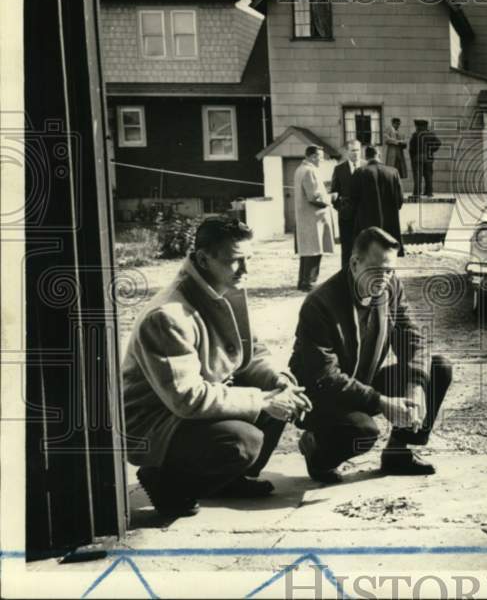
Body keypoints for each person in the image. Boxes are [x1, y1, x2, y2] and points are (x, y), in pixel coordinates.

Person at [121, 217, 312, 517]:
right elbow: (187, 399)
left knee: (279, 395)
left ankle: (227, 480)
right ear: (202, 259)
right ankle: (166, 484)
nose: (246, 270)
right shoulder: (168, 314)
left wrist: (278, 382)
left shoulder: (224, 287)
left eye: (249, 259)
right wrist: (263, 401)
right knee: (242, 442)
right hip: (154, 422)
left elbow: (250, 353)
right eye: (236, 261)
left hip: (192, 405)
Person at [289, 227, 453, 483]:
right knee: (363, 432)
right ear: (354, 263)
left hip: (360, 383)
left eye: (390, 271)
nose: (385, 278)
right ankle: (317, 452)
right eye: (378, 271)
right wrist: (382, 402)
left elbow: (413, 338)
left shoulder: (390, 286)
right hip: (320, 397)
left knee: (437, 368)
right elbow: (324, 376)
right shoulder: (319, 304)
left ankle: (398, 452)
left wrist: (415, 387)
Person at [350, 145, 406, 256]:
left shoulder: (360, 172)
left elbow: (353, 199)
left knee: (369, 254)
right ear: (379, 155)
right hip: (390, 221)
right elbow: (399, 199)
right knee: (388, 254)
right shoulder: (393, 172)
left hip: (367, 221)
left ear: (365, 157)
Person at [294, 146, 335, 291]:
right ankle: (309, 283)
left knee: (307, 251)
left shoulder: (300, 169)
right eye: (320, 157)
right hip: (313, 217)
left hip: (306, 216)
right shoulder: (310, 171)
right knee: (314, 251)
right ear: (312, 157)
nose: (322, 160)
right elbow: (314, 196)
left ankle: (302, 281)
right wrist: (330, 198)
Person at [332, 139, 362, 272]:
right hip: (346, 216)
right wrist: (341, 207)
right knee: (347, 247)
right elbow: (334, 192)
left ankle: (362, 273)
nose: (356, 153)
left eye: (358, 150)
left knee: (363, 246)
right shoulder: (339, 169)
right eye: (353, 150)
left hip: (363, 215)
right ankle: (345, 274)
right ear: (347, 151)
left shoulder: (366, 167)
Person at [409, 119, 441, 199]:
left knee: (417, 176)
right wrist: (431, 150)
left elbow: (411, 148)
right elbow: (439, 143)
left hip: (417, 158)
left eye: (416, 126)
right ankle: (429, 192)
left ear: (419, 126)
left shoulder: (415, 135)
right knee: (428, 175)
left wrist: (412, 158)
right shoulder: (431, 134)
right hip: (428, 158)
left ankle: (417, 193)